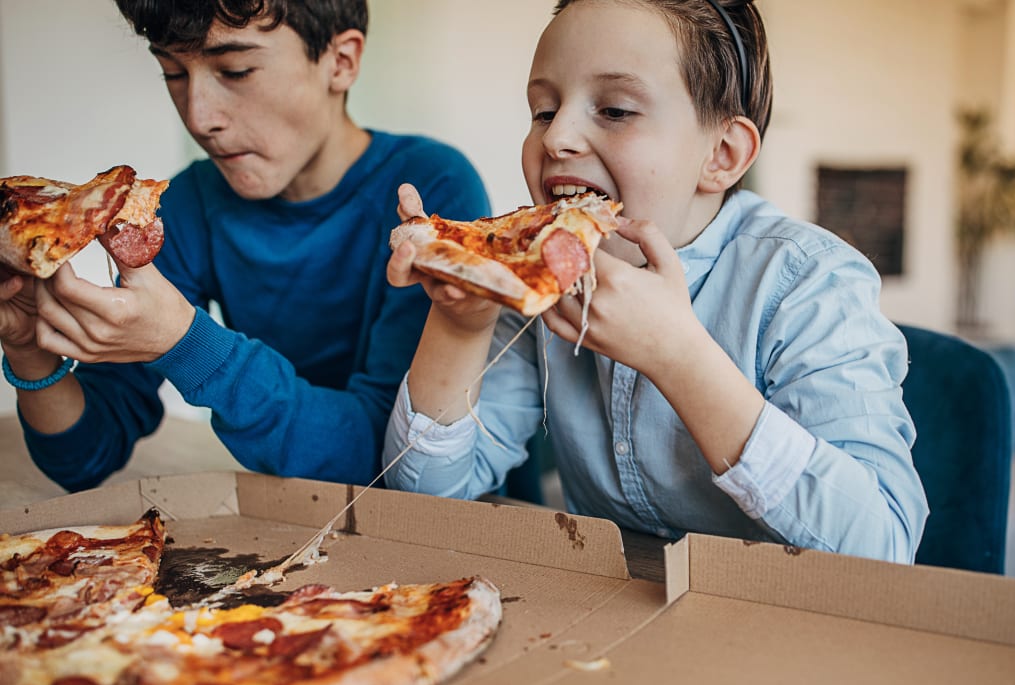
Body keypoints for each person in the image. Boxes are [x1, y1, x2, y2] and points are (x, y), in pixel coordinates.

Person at [382, 0, 929, 562]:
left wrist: (678, 356)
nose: (556, 138)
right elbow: (420, 500)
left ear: (721, 154)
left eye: (616, 110)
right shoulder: (538, 274)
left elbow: (883, 548)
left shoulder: (810, 282)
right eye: (543, 111)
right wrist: (462, 321)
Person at [0, 0, 489, 492]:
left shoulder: (431, 192)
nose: (199, 117)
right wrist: (27, 348)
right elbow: (86, 457)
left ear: (341, 62)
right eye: (172, 72)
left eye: (235, 71)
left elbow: (390, 461)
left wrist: (185, 342)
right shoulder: (188, 206)